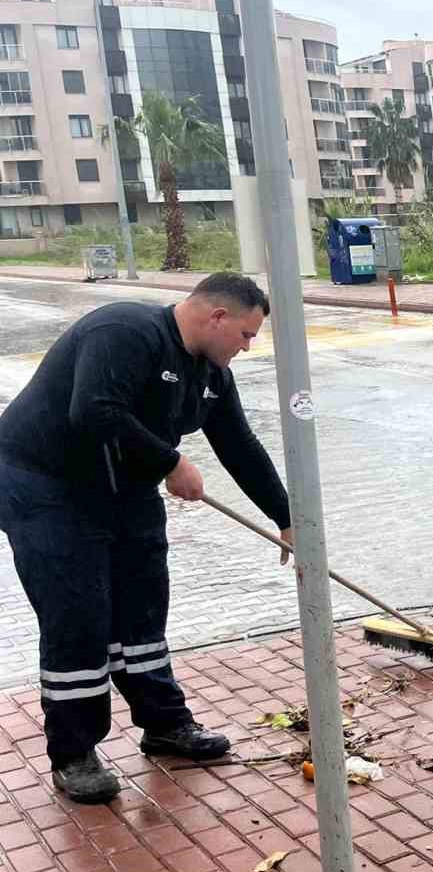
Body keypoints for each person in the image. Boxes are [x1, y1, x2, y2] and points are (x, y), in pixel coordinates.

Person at [0, 273, 293, 804]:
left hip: (124, 487)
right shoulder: (122, 331)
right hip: (45, 487)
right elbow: (92, 411)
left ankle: (164, 724)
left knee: (143, 611)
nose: (248, 347)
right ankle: (74, 753)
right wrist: (171, 460)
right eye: (247, 335)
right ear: (217, 317)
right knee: (79, 619)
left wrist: (286, 518)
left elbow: (240, 445)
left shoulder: (210, 373)